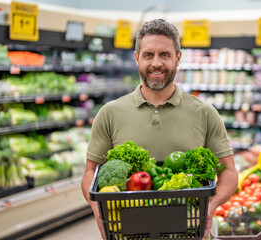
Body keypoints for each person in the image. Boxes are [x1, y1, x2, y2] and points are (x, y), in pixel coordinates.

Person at [81, 18, 238, 240]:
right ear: (137, 59)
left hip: (190, 231)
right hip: (129, 232)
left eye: (165, 55)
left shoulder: (204, 112)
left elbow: (229, 173)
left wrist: (210, 206)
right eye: (148, 55)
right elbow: (90, 172)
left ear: (178, 58)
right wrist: (99, 211)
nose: (156, 63)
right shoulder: (110, 113)